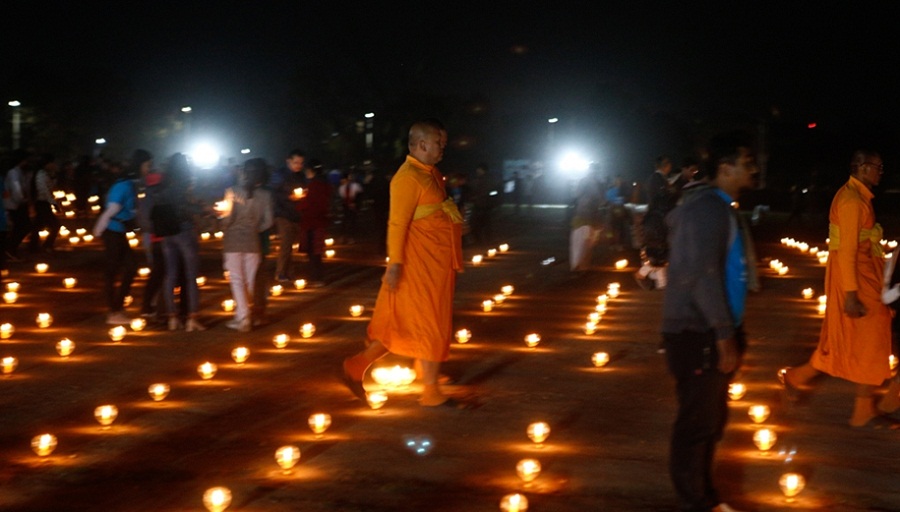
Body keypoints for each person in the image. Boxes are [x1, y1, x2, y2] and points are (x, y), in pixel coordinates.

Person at [662, 133, 759, 512]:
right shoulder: (707, 208)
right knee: (697, 423)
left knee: (710, 420)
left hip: (711, 330)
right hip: (697, 332)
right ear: (725, 168)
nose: (753, 168)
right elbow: (701, 274)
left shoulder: (721, 207)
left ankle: (704, 496)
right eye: (747, 161)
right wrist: (722, 334)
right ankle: (696, 502)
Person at [342, 119, 464, 407]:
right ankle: (431, 391)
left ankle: (359, 365)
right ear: (421, 144)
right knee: (430, 322)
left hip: (436, 262)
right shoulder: (407, 176)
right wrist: (395, 263)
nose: (443, 148)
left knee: (408, 323)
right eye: (438, 142)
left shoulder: (431, 173)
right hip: (417, 264)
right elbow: (397, 222)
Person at [782, 150, 899, 429]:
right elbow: (846, 251)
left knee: (856, 338)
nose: (881, 172)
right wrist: (850, 294)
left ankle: (802, 379)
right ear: (861, 168)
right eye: (877, 167)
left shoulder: (860, 198)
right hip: (854, 277)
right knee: (864, 333)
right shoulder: (850, 200)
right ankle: (856, 406)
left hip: (864, 273)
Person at [217, 158, 273, 332]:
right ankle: (244, 314)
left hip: (233, 241)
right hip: (253, 242)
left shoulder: (233, 191)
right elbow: (269, 222)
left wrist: (221, 221)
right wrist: (254, 229)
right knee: (249, 281)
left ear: (244, 172)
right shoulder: (265, 195)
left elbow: (228, 218)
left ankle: (243, 318)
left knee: (236, 280)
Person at [155, 153, 205, 332]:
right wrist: (203, 209)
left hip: (167, 234)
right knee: (191, 276)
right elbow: (184, 207)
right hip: (184, 232)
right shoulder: (183, 185)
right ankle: (192, 318)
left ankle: (172, 317)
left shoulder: (162, 187)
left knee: (170, 274)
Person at [92, 157, 140, 325]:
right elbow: (112, 208)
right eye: (148, 165)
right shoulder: (123, 186)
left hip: (118, 231)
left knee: (131, 267)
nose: (150, 168)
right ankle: (113, 311)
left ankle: (117, 307)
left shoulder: (129, 185)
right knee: (113, 271)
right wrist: (99, 228)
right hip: (112, 231)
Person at [635, 156, 675, 290]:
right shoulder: (656, 179)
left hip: (659, 217)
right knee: (659, 251)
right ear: (664, 165)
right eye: (668, 164)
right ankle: (643, 274)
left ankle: (661, 283)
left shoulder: (659, 179)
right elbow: (659, 199)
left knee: (661, 250)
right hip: (657, 219)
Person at [269, 150, 305, 282]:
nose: (298, 165)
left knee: (290, 244)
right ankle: (280, 273)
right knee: (285, 245)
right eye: (296, 162)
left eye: (301, 163)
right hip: (283, 214)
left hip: (295, 213)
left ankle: (289, 272)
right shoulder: (279, 175)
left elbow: (305, 188)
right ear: (288, 161)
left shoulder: (300, 176)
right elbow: (273, 193)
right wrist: (288, 197)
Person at [296, 160, 332, 287]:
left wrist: (299, 201)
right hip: (320, 222)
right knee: (316, 251)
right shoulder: (325, 185)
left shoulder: (313, 186)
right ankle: (317, 277)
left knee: (313, 252)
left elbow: (307, 204)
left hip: (311, 222)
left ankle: (316, 278)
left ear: (311, 171)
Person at [569, 163, 603, 271]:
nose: (594, 172)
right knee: (583, 241)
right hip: (586, 215)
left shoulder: (592, 182)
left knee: (585, 242)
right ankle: (580, 265)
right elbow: (599, 199)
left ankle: (581, 265)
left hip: (588, 215)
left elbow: (576, 195)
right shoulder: (592, 182)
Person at [4, 149, 32, 260]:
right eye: (26, 160)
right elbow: (16, 188)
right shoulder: (13, 173)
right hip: (15, 204)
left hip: (18, 203)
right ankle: (9, 249)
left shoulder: (20, 172)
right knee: (23, 226)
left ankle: (10, 249)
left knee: (21, 227)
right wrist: (22, 200)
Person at [29, 154, 60, 254]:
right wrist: (54, 203)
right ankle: (47, 245)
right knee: (55, 225)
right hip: (41, 203)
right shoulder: (40, 174)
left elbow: (50, 187)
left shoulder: (46, 174)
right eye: (52, 163)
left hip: (44, 203)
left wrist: (53, 176)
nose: (54, 165)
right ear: (47, 164)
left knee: (38, 225)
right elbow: (44, 191)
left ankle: (33, 246)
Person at [338, 171, 363, 244]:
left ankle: (351, 237)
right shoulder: (341, 188)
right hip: (345, 206)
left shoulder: (356, 186)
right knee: (344, 221)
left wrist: (355, 203)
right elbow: (342, 198)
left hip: (354, 205)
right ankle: (343, 236)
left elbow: (360, 196)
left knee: (353, 221)